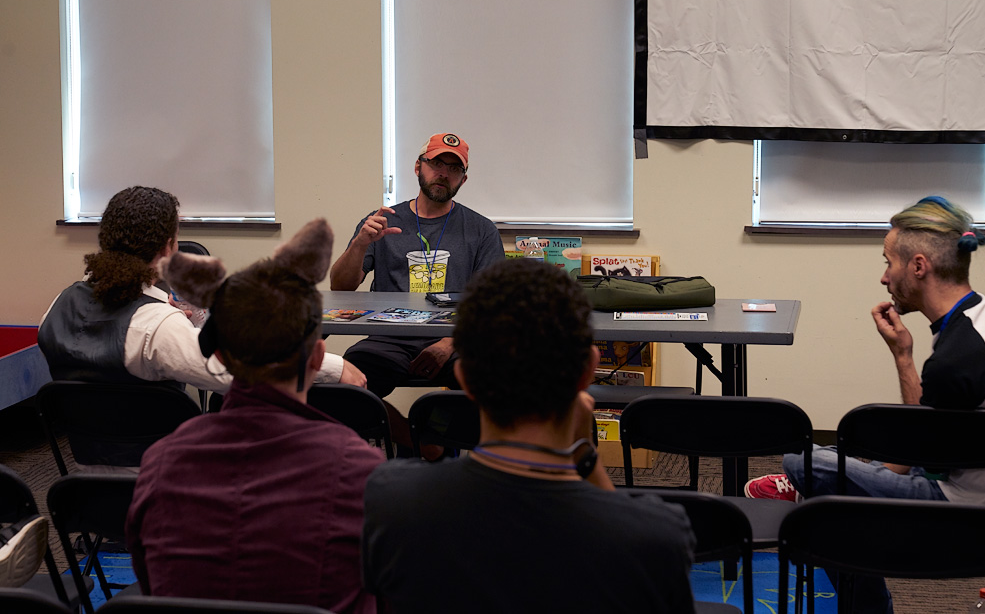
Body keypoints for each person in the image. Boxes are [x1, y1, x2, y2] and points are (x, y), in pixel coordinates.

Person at [361, 258, 697, 613]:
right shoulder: (656, 537)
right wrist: (586, 454)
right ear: (588, 370)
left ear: (465, 377)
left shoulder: (393, 503)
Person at [745, 196, 985, 613]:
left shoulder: (955, 360)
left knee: (806, 467)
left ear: (918, 266)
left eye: (888, 263)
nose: (884, 278)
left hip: (961, 512)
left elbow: (920, 456)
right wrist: (904, 353)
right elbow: (931, 436)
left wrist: (902, 362)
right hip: (971, 483)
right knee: (841, 472)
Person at [126, 219, 384, 614]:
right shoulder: (359, 468)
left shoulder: (161, 463)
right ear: (317, 358)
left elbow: (150, 582)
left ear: (219, 355)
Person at [38, 186, 365, 392]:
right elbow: (240, 374)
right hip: (161, 470)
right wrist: (335, 367)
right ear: (167, 247)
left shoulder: (58, 306)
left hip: (82, 472)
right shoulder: (158, 326)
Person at [329, 133, 504, 399]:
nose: (443, 174)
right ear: (418, 167)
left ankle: (438, 426)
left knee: (494, 380)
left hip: (455, 339)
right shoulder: (382, 221)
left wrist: (448, 344)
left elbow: (492, 304)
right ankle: (404, 429)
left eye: (454, 168)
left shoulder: (481, 230)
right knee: (348, 388)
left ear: (463, 179)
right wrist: (360, 244)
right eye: (436, 164)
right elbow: (340, 287)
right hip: (388, 338)